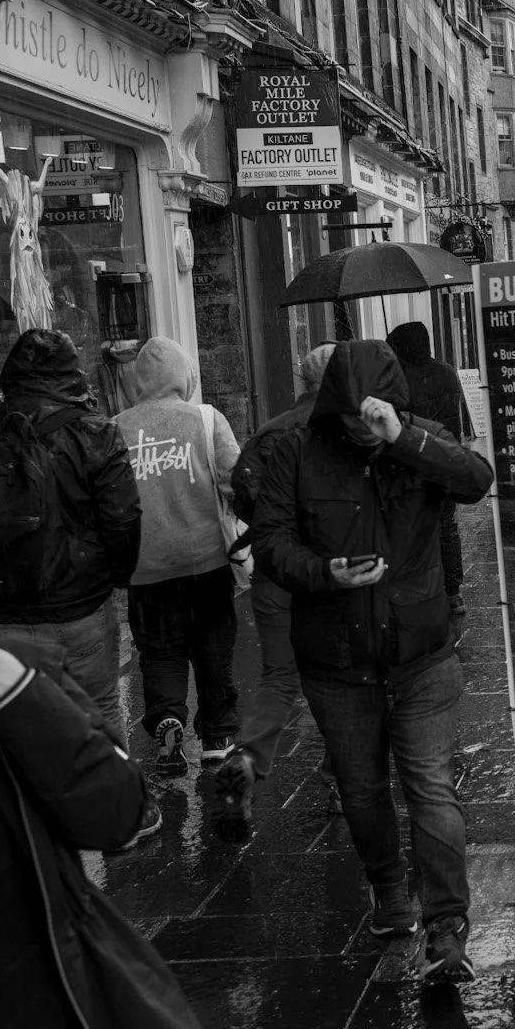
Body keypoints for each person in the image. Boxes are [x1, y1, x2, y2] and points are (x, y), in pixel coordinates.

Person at [0, 496, 215, 1029]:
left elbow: (115, 815)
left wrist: (23, 702)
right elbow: (120, 518)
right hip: (95, 597)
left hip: (18, 1020)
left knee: (131, 690)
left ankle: (169, 725)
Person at [249, 340, 496, 981]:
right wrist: (324, 572)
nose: (363, 429)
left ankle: (447, 929)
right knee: (361, 792)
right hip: (336, 659)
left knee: (431, 789)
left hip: (421, 652)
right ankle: (390, 892)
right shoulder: (295, 452)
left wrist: (403, 438)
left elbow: (476, 481)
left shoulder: (421, 440)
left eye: (374, 415)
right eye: (353, 417)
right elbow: (271, 547)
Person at [0, 327, 141, 751]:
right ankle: (121, 811)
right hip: (79, 605)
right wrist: (117, 577)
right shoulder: (96, 433)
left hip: (2, 608)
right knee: (98, 709)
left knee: (17, 718)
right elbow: (122, 520)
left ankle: (35, 811)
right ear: (73, 378)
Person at [214, 343, 334, 831]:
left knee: (280, 678)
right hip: (329, 574)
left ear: (303, 381)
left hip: (273, 572)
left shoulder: (268, 432)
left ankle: (247, 757)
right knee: (344, 678)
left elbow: (242, 496)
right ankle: (340, 776)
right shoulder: (343, 431)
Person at [112, 337, 242, 778]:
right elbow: (236, 480)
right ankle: (218, 736)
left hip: (144, 568)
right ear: (184, 375)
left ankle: (167, 718)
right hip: (206, 561)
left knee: (160, 651)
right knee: (213, 646)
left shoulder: (114, 429)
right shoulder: (205, 420)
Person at [387, 321, 477, 613]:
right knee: (447, 525)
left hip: (415, 465)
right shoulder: (447, 372)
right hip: (446, 459)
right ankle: (454, 591)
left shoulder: (400, 381)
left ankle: (427, 590)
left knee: (419, 528)